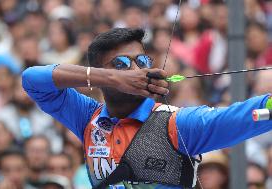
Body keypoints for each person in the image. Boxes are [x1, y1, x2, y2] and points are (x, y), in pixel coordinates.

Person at [22, 28, 272, 188]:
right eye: (121, 63)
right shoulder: (88, 117)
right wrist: (112, 78)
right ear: (99, 73)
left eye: (142, 61)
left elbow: (251, 112)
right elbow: (32, 80)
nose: (136, 70)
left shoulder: (176, 124)